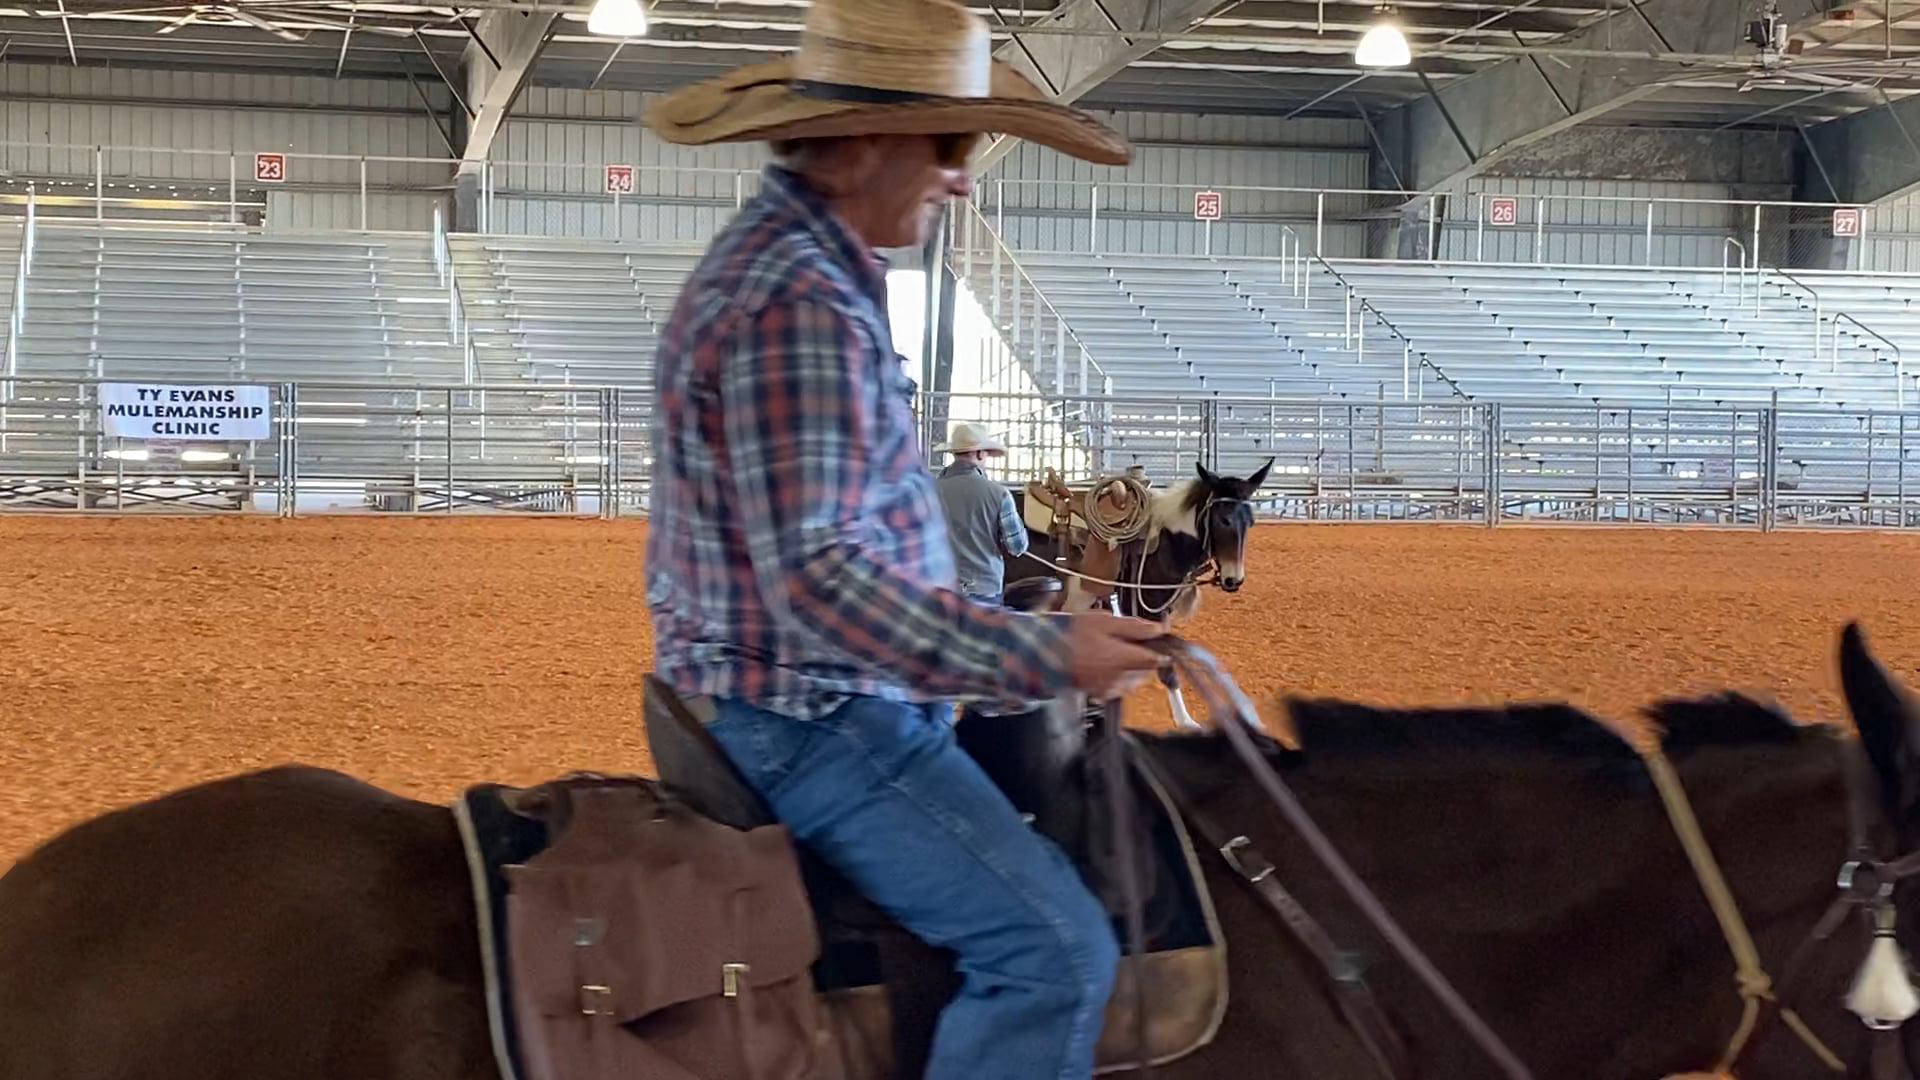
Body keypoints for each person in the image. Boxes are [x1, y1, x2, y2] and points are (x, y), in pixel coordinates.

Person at [639, 2, 1160, 1079]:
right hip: (811, 713)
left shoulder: (807, 272)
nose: (961, 177)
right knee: (1056, 953)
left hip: (798, 690)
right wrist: (1044, 653)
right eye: (951, 144)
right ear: (865, 142)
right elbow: (821, 581)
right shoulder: (799, 302)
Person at [934, 423, 1029, 606]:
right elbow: (1017, 547)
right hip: (983, 590)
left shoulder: (928, 491)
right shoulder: (998, 494)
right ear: (979, 453)